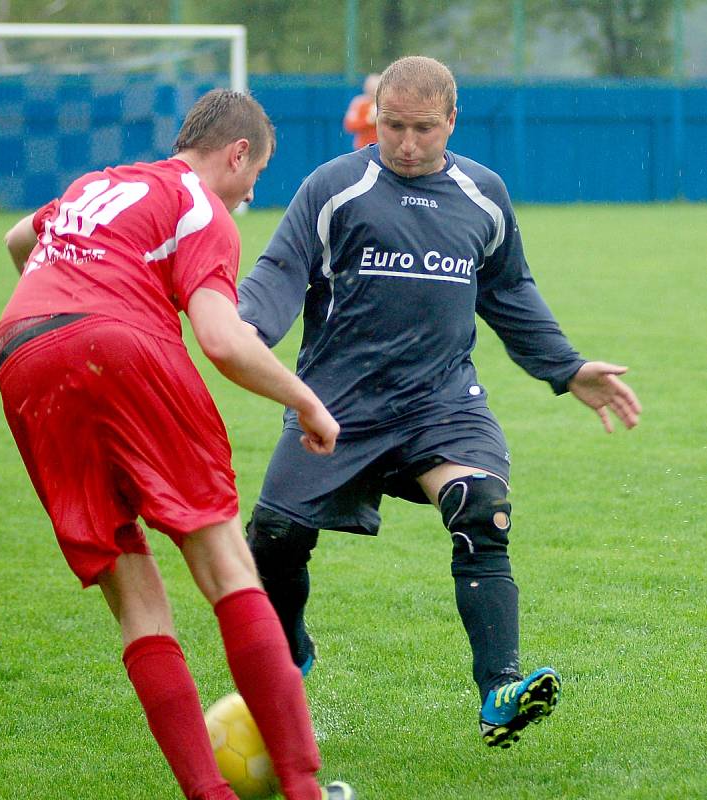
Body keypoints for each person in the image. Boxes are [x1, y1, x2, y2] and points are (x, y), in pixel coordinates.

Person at [238, 57, 642, 750]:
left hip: (440, 403)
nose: (406, 142)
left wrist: (564, 366)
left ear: (450, 121)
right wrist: (243, 329)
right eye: (392, 126)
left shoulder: (483, 195)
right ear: (375, 118)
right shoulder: (335, 187)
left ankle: (499, 692)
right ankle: (292, 652)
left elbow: (509, 289)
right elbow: (281, 269)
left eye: (423, 128)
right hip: (337, 408)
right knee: (273, 541)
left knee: (482, 510)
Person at [0, 89, 355, 800]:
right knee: (227, 568)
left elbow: (17, 240)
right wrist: (307, 400)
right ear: (237, 151)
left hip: (23, 354)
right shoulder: (202, 206)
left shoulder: (99, 183)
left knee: (136, 602)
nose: (253, 193)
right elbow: (221, 340)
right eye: (256, 175)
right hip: (123, 348)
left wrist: (69, 302)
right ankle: (305, 788)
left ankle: (207, 795)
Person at [342, 73, 380, 149]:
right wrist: (368, 120)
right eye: (370, 86)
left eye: (375, 86)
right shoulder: (359, 103)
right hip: (363, 148)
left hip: (383, 148)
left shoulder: (386, 103)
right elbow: (349, 125)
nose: (372, 90)